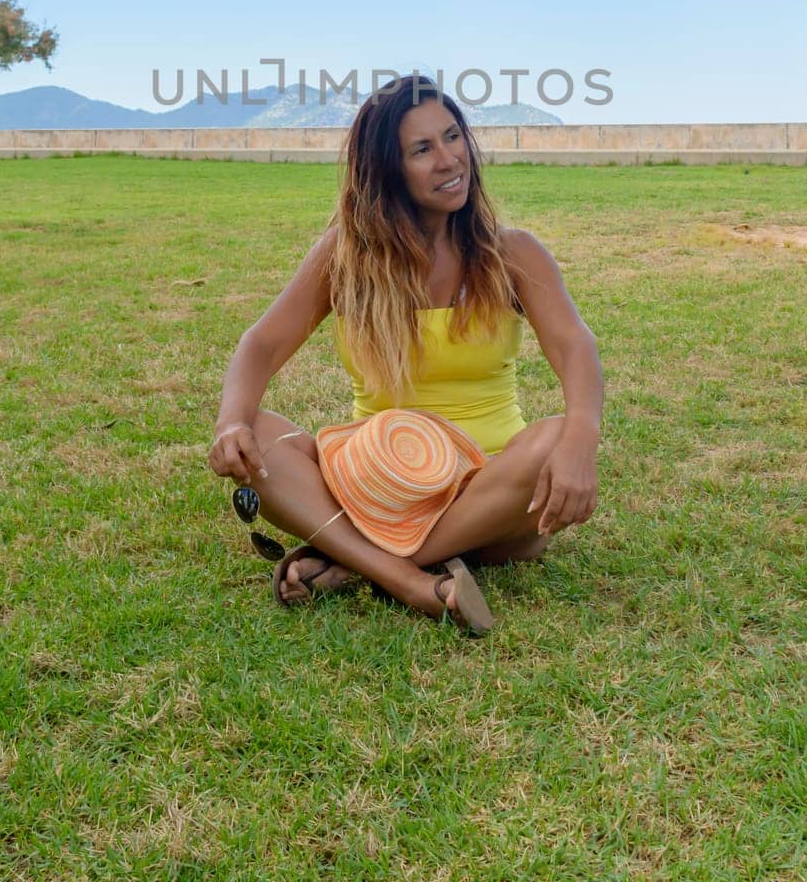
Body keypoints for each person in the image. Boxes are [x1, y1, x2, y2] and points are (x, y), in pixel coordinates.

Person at [207, 75, 603, 632]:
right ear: (387, 171)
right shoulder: (345, 257)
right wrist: (230, 425)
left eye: (452, 137)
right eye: (422, 149)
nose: (449, 159)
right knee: (261, 432)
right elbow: (261, 344)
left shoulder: (513, 253)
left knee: (555, 435)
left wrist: (582, 438)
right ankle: (413, 581)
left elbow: (574, 346)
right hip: (371, 487)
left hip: (489, 493)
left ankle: (357, 562)